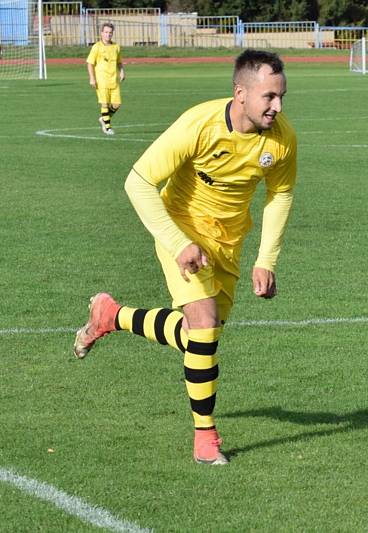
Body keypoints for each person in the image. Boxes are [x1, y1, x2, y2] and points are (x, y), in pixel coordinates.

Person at [72, 49, 297, 464]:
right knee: (205, 327)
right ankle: (205, 438)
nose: (278, 106)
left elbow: (280, 195)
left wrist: (266, 259)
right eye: (269, 97)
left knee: (198, 338)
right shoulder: (199, 124)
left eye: (281, 96)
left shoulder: (281, 140)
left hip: (228, 244)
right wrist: (178, 243)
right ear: (240, 93)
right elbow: (137, 182)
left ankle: (112, 315)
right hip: (181, 229)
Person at [87, 23, 125, 136]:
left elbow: (119, 61)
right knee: (104, 104)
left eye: (110, 33)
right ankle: (108, 128)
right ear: (101, 33)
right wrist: (92, 78)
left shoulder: (116, 47)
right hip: (101, 80)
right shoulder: (96, 47)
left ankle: (104, 118)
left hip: (114, 80)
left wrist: (122, 71)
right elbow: (90, 63)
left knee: (117, 104)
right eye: (106, 32)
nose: (108, 35)